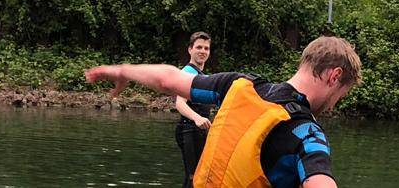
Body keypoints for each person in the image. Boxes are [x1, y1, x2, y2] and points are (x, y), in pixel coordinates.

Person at [86, 36, 362, 188]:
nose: (334, 103)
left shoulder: (239, 85)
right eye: (341, 94)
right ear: (334, 76)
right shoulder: (307, 133)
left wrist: (123, 70)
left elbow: (169, 80)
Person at [175, 31, 213, 187]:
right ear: (190, 49)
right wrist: (197, 118)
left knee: (201, 177)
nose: (202, 51)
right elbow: (180, 103)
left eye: (206, 48)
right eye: (199, 47)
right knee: (193, 178)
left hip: (200, 131)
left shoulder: (201, 75)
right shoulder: (187, 73)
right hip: (188, 130)